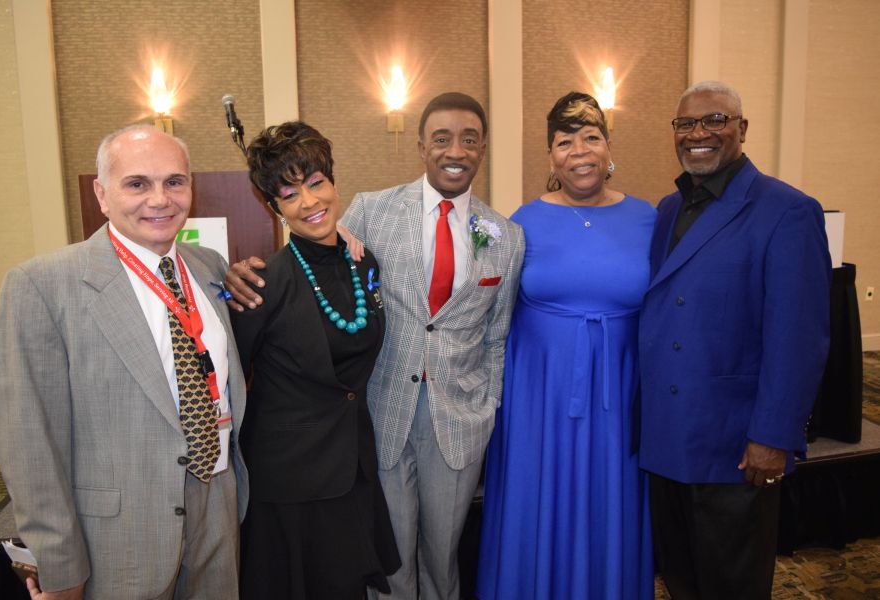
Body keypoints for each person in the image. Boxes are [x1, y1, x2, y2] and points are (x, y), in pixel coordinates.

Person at [226, 92, 525, 599]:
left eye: (469, 139)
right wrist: (243, 270)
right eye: (442, 138)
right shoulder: (373, 208)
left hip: (459, 418)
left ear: (483, 148)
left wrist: (488, 405)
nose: (455, 150)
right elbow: (315, 246)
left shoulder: (505, 236)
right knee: (387, 559)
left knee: (444, 557)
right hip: (381, 413)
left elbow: (497, 335)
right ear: (421, 147)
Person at [0, 125, 248, 599]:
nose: (159, 199)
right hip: (116, 538)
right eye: (137, 183)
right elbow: (30, 444)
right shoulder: (42, 285)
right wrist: (60, 568)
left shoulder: (209, 266)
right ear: (102, 194)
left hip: (217, 513)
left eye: (174, 182)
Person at [639, 81, 832, 599]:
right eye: (686, 124)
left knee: (732, 587)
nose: (698, 133)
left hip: (734, 447)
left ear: (742, 129)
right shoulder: (666, 209)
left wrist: (774, 436)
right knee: (681, 581)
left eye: (715, 120)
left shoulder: (787, 210)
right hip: (666, 441)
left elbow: (798, 339)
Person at [476, 92, 656, 599]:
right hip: (540, 395)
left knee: (610, 496)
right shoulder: (522, 222)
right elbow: (483, 298)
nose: (580, 151)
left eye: (591, 137)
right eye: (564, 141)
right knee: (539, 497)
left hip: (619, 390)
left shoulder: (648, 218)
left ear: (609, 147)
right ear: (551, 156)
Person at [231, 121, 400, 599]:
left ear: (332, 181)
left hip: (352, 465)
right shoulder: (262, 283)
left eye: (315, 183)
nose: (309, 202)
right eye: (289, 195)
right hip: (289, 479)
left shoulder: (364, 263)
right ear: (275, 208)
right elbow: (233, 379)